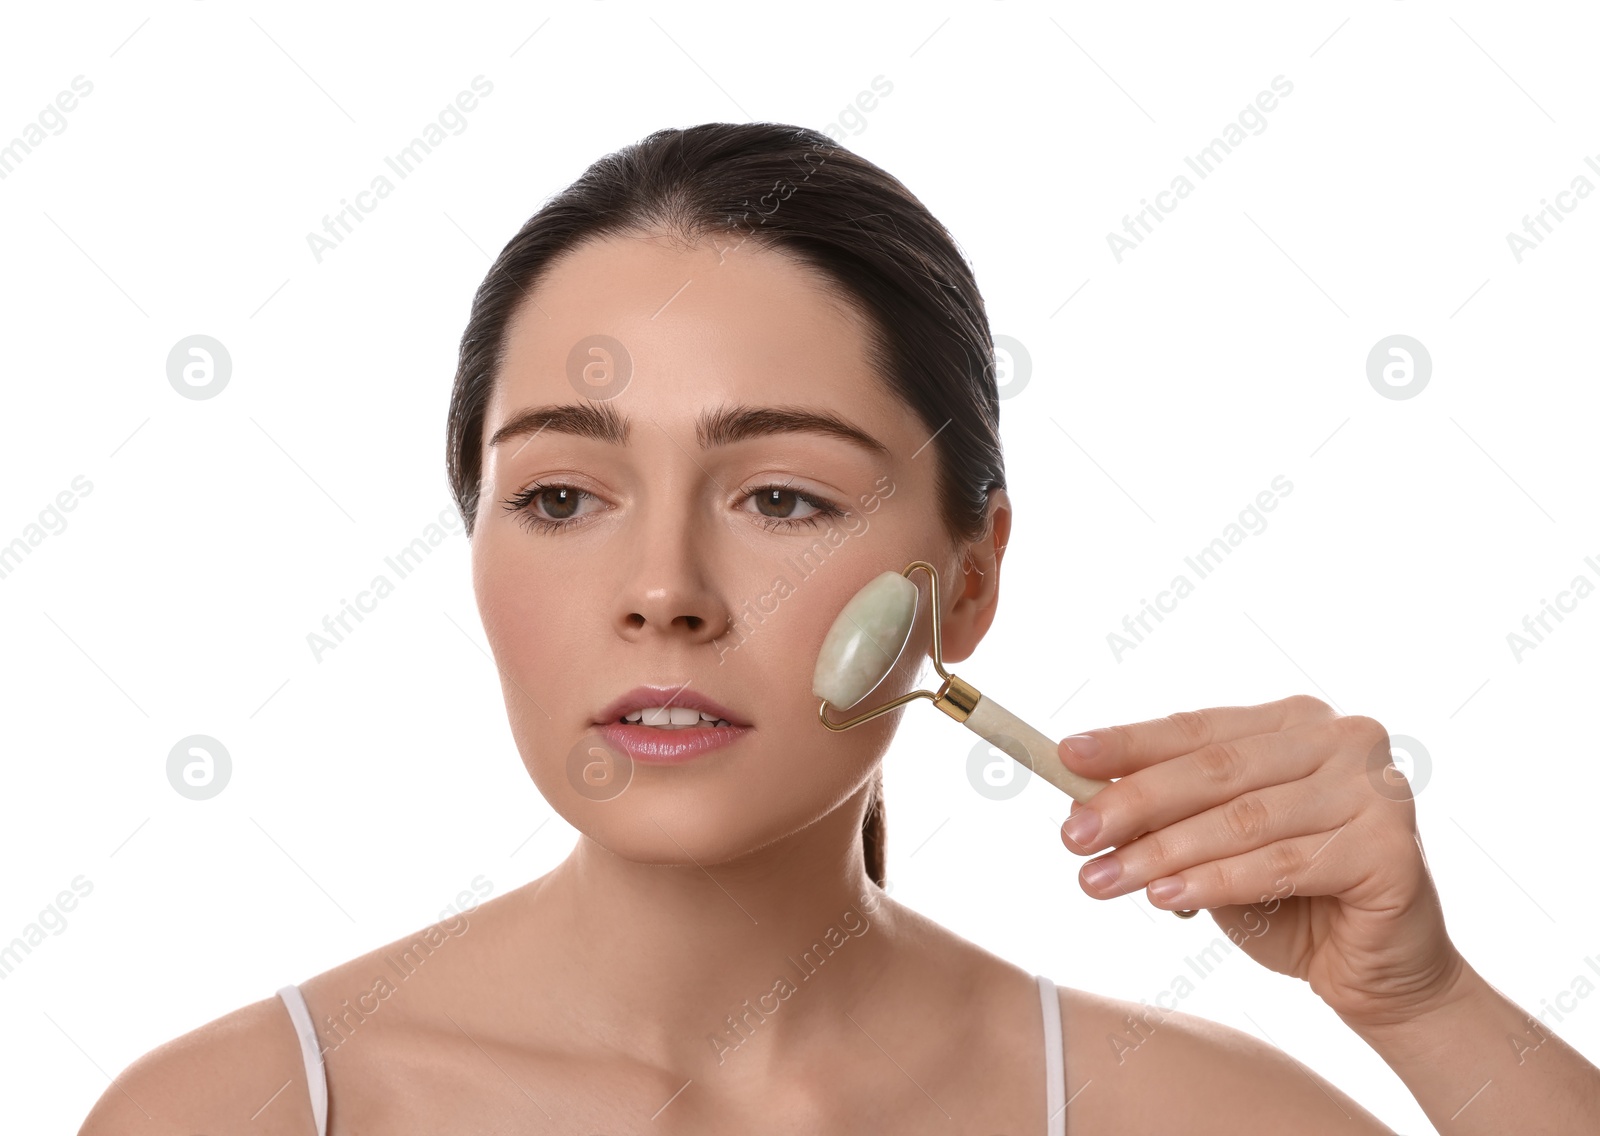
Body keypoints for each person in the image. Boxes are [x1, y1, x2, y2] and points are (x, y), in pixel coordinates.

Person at [80, 122, 1600, 1135]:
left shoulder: (1184, 1116)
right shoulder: (243, 1109)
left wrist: (1426, 1009)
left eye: (785, 498)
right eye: (560, 496)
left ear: (969, 578)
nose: (662, 587)